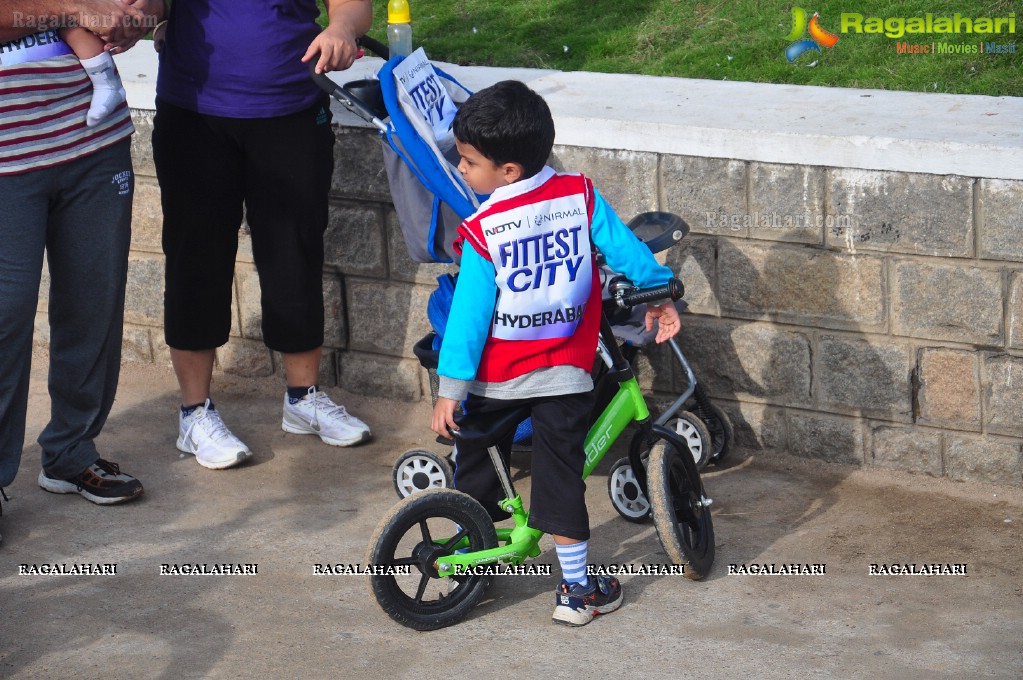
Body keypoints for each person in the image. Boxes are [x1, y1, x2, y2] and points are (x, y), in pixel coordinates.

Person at [431, 80, 683, 626]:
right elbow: (626, 251)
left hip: (494, 379)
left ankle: (469, 551)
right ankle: (575, 591)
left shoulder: (483, 230)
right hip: (565, 373)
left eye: (470, 162)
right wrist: (660, 293)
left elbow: (469, 320)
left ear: (509, 171)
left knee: (477, 462)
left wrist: (450, 389)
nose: (463, 170)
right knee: (559, 476)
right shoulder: (580, 195)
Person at [152, 0, 374, 471]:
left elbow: (352, 6)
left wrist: (341, 28)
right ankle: (194, 416)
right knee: (196, 258)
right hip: (194, 111)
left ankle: (302, 399)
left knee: (295, 251)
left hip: (291, 106)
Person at [0, 0, 166, 544]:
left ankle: (71, 452)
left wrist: (138, 11)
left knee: (94, 303)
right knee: (5, 316)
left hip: (93, 143)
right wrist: (74, 8)